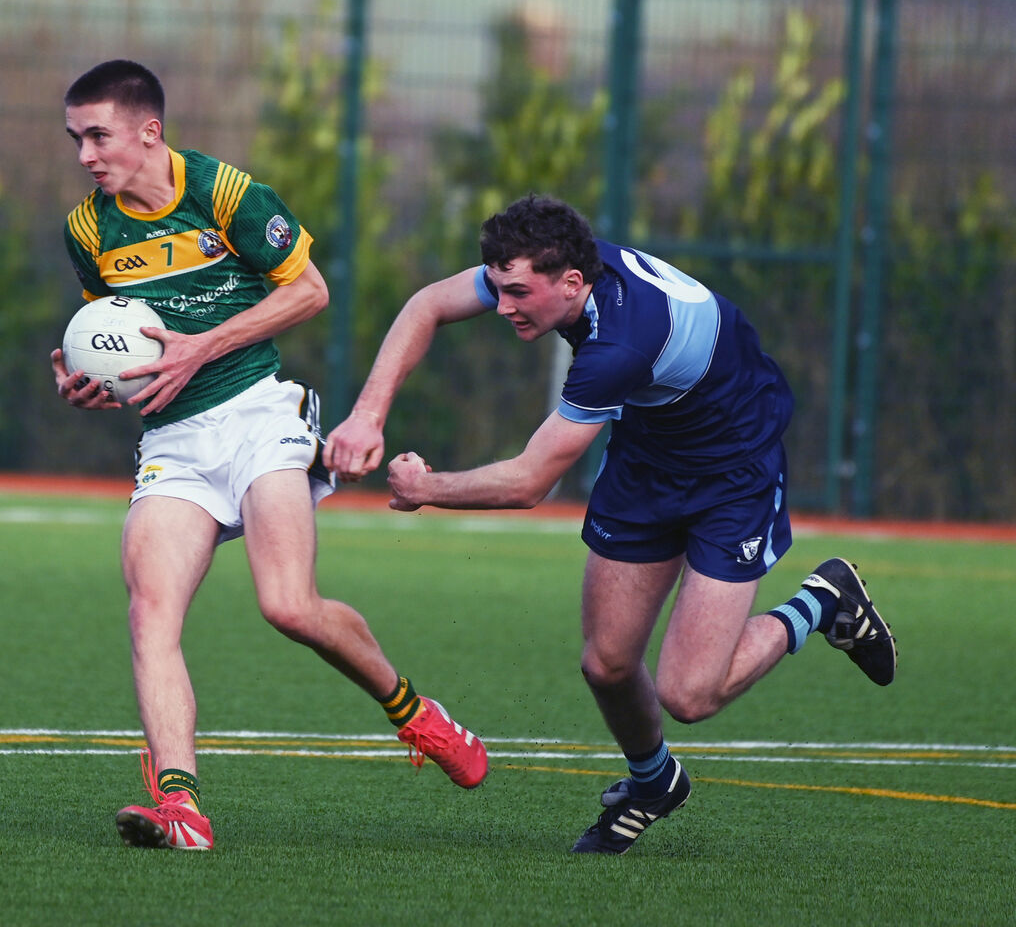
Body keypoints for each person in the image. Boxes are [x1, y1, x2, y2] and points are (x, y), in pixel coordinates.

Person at [323, 194, 896, 855]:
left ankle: (822, 604)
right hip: (650, 454)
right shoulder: (565, 276)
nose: (503, 306)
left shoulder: (619, 343)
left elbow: (531, 482)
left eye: (517, 293)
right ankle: (655, 784)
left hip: (732, 467)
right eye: (499, 289)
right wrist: (368, 415)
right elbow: (428, 304)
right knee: (608, 664)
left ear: (571, 282)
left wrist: (425, 489)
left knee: (690, 693)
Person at [49, 59, 487, 851]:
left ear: (149, 131)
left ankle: (413, 713)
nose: (85, 154)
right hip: (174, 444)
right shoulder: (88, 229)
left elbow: (309, 290)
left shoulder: (225, 195)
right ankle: (180, 806)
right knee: (151, 612)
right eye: (76, 138)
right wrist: (88, 378)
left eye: (97, 136)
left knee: (288, 606)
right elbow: (111, 332)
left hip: (259, 415)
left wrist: (202, 348)